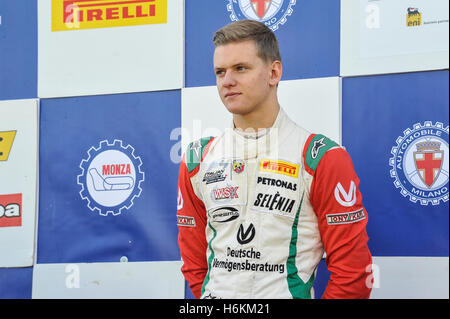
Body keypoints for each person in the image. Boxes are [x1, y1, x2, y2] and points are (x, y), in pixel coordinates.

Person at [176, 20, 372, 299]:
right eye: (220, 72)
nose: (227, 81)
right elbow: (196, 267)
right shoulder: (197, 159)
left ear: (274, 72)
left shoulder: (320, 157)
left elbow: (353, 273)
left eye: (240, 68)